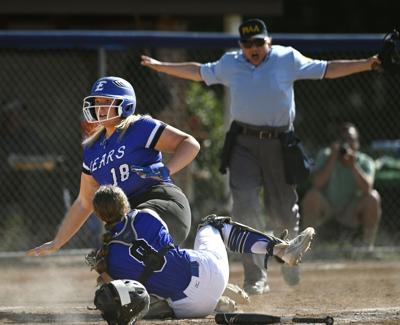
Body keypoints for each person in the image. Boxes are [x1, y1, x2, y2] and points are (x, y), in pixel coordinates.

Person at [140, 18, 382, 294]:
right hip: (244, 142)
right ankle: (255, 276)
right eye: (247, 44)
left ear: (269, 41)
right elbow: (198, 72)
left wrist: (369, 62)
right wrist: (161, 67)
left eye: (259, 43)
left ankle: (290, 256)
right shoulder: (232, 63)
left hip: (280, 142)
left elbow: (328, 69)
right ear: (241, 45)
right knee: (244, 205)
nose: (253, 48)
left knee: (284, 209)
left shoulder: (286, 58)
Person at [27, 76, 200, 257]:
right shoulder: (92, 148)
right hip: (129, 219)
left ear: (125, 105)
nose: (100, 108)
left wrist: (167, 169)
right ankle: (188, 274)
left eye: (107, 102)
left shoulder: (140, 127)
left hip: (162, 206)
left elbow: (189, 143)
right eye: (97, 102)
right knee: (108, 263)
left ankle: (200, 261)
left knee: (132, 230)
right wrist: (57, 242)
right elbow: (84, 202)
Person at [87, 184, 315, 319]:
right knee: (211, 224)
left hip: (190, 308)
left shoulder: (111, 256)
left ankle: (216, 302)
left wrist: (103, 270)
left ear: (99, 216)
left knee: (143, 291)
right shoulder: (146, 215)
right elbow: (164, 247)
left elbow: (121, 293)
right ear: (126, 204)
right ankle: (280, 249)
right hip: (211, 273)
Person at [301, 122, 381, 251]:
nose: (347, 143)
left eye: (351, 139)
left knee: (373, 197)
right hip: (328, 208)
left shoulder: (366, 161)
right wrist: (333, 158)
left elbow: (367, 189)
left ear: (358, 142)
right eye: (344, 139)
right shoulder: (326, 155)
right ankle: (308, 248)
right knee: (312, 196)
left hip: (351, 211)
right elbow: (317, 183)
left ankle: (367, 248)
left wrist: (353, 165)